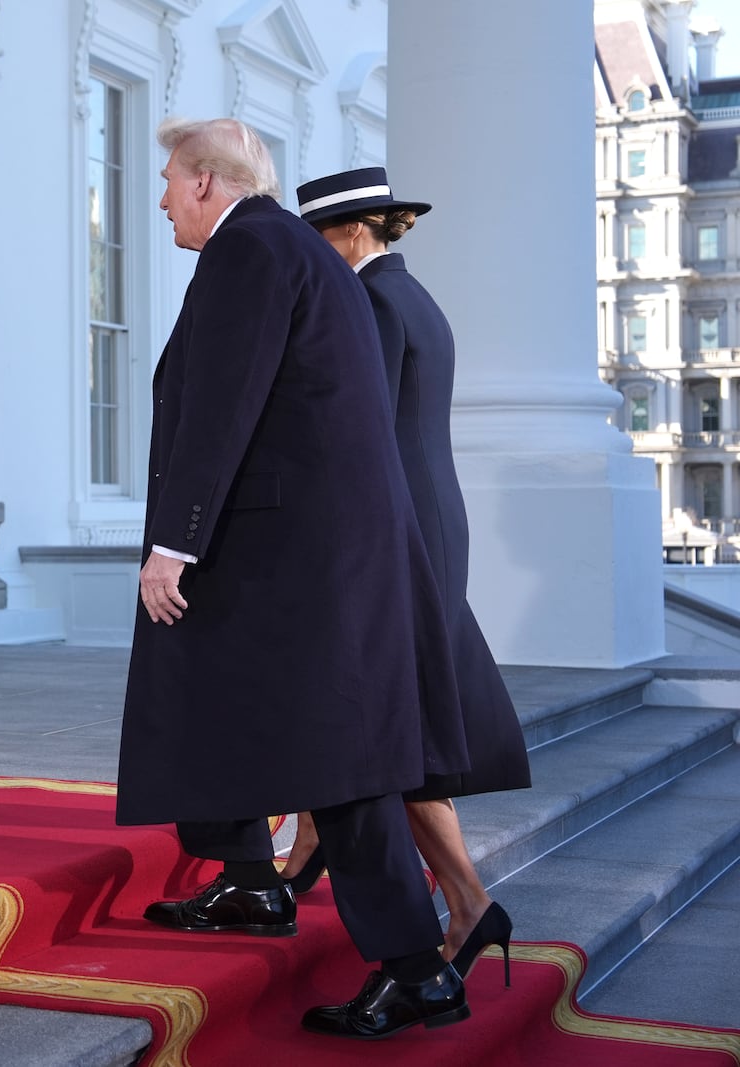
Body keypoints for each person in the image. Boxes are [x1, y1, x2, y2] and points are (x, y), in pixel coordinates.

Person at [117, 118, 473, 1039]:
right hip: (301, 550)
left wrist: (174, 541)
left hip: (289, 556)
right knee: (218, 700)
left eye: (166, 181)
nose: (159, 199)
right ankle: (248, 879)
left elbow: (221, 405)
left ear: (204, 182)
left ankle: (416, 966)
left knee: (339, 760)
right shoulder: (292, 251)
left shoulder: (250, 250)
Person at [280, 166, 531, 980]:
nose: (313, 259)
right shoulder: (414, 294)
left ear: (352, 231)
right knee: (408, 723)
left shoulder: (373, 300)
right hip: (434, 514)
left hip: (404, 528)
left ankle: (464, 899)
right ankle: (446, 895)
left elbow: (362, 438)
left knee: (400, 726)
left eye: (317, 240)